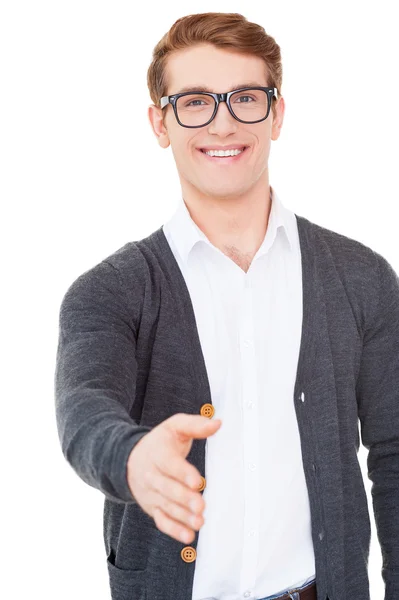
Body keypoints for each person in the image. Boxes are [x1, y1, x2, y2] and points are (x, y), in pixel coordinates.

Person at [54, 12, 399, 600]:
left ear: (278, 114)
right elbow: (84, 411)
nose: (222, 123)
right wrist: (133, 456)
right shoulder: (108, 291)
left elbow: (394, 453)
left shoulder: (361, 277)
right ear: (159, 123)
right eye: (194, 102)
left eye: (245, 98)